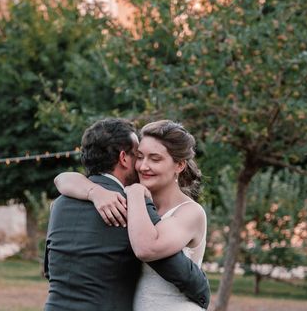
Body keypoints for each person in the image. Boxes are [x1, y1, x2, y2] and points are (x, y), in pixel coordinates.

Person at [44, 118, 209, 311]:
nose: (142, 166)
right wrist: (96, 192)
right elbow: (62, 179)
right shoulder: (125, 201)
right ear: (124, 158)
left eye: (154, 159)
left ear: (179, 165)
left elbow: (48, 268)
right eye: (139, 156)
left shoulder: (61, 202)